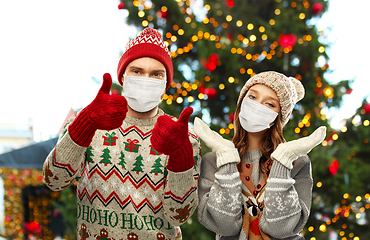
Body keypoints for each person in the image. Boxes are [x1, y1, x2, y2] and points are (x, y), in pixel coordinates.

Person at [43, 28, 201, 240]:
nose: (146, 79)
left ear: (165, 85)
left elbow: (178, 215)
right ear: (123, 78)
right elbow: (55, 180)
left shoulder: (184, 137)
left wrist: (181, 156)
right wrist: (85, 123)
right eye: (137, 71)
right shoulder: (89, 120)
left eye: (156, 74)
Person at [194, 71, 326, 240]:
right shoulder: (214, 161)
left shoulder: (297, 163)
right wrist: (226, 158)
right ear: (241, 103)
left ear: (278, 117)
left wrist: (283, 161)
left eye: (270, 104)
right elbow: (224, 226)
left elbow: (282, 228)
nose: (258, 106)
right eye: (252, 97)